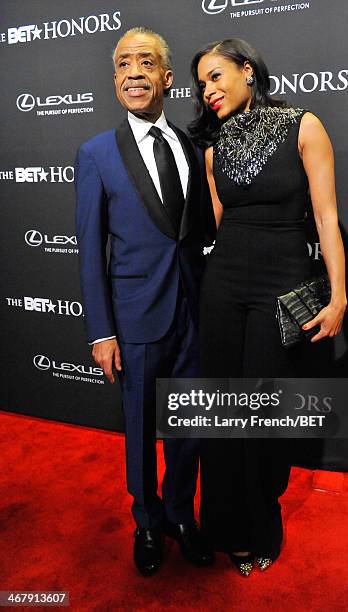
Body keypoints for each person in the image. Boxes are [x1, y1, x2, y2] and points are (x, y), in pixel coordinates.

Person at [189, 38, 347, 576]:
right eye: (201, 84)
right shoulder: (213, 151)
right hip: (223, 285)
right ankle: (224, 527)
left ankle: (261, 525)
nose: (207, 91)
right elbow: (214, 227)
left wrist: (339, 293)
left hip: (281, 285)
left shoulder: (304, 125)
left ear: (248, 70)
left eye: (215, 77)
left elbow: (326, 216)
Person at [75, 27, 214, 576]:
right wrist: (101, 330)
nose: (134, 72)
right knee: (139, 427)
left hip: (193, 314)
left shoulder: (191, 147)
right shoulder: (95, 153)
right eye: (124, 64)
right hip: (135, 318)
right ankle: (148, 522)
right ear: (115, 79)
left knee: (190, 426)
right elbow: (90, 249)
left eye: (146, 62)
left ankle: (183, 514)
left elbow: (200, 235)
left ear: (167, 77)